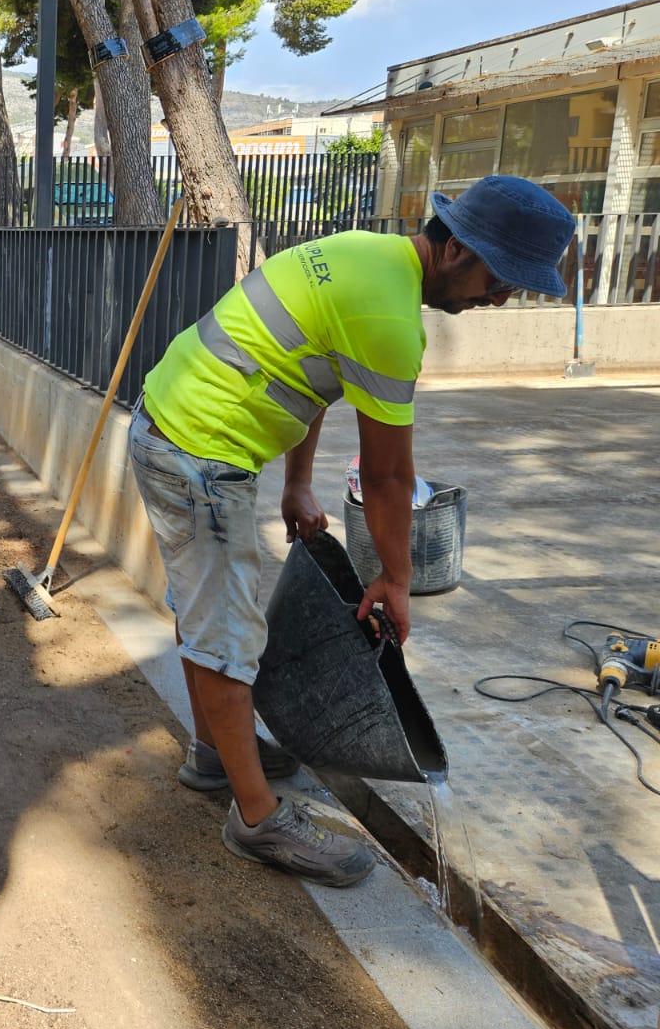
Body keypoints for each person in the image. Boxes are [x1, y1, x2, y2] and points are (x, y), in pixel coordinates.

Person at [129, 175, 575, 886]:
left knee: (207, 612)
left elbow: (313, 382)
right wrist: (395, 580)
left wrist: (299, 482)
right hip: (199, 452)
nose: (500, 299)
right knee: (226, 632)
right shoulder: (392, 321)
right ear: (458, 248)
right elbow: (392, 476)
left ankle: (216, 753)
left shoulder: (367, 254)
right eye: (500, 279)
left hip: (178, 427)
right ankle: (256, 819)